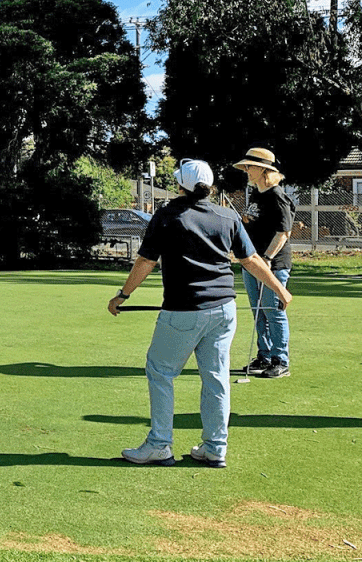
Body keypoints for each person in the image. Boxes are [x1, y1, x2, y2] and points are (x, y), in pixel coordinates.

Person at [108, 160, 292, 468]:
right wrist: (280, 289)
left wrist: (122, 295)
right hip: (223, 310)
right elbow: (250, 259)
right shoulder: (226, 215)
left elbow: (145, 262)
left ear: (180, 185)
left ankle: (159, 444)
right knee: (216, 377)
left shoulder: (167, 215)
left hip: (183, 309)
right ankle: (214, 447)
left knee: (161, 371)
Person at [234, 147, 294, 379]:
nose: (247, 170)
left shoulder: (277, 196)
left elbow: (284, 232)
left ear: (264, 169)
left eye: (251, 166)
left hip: (273, 263)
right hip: (252, 263)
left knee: (273, 311)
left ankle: (281, 361)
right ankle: (265, 356)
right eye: (246, 166)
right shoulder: (257, 194)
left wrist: (267, 258)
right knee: (259, 311)